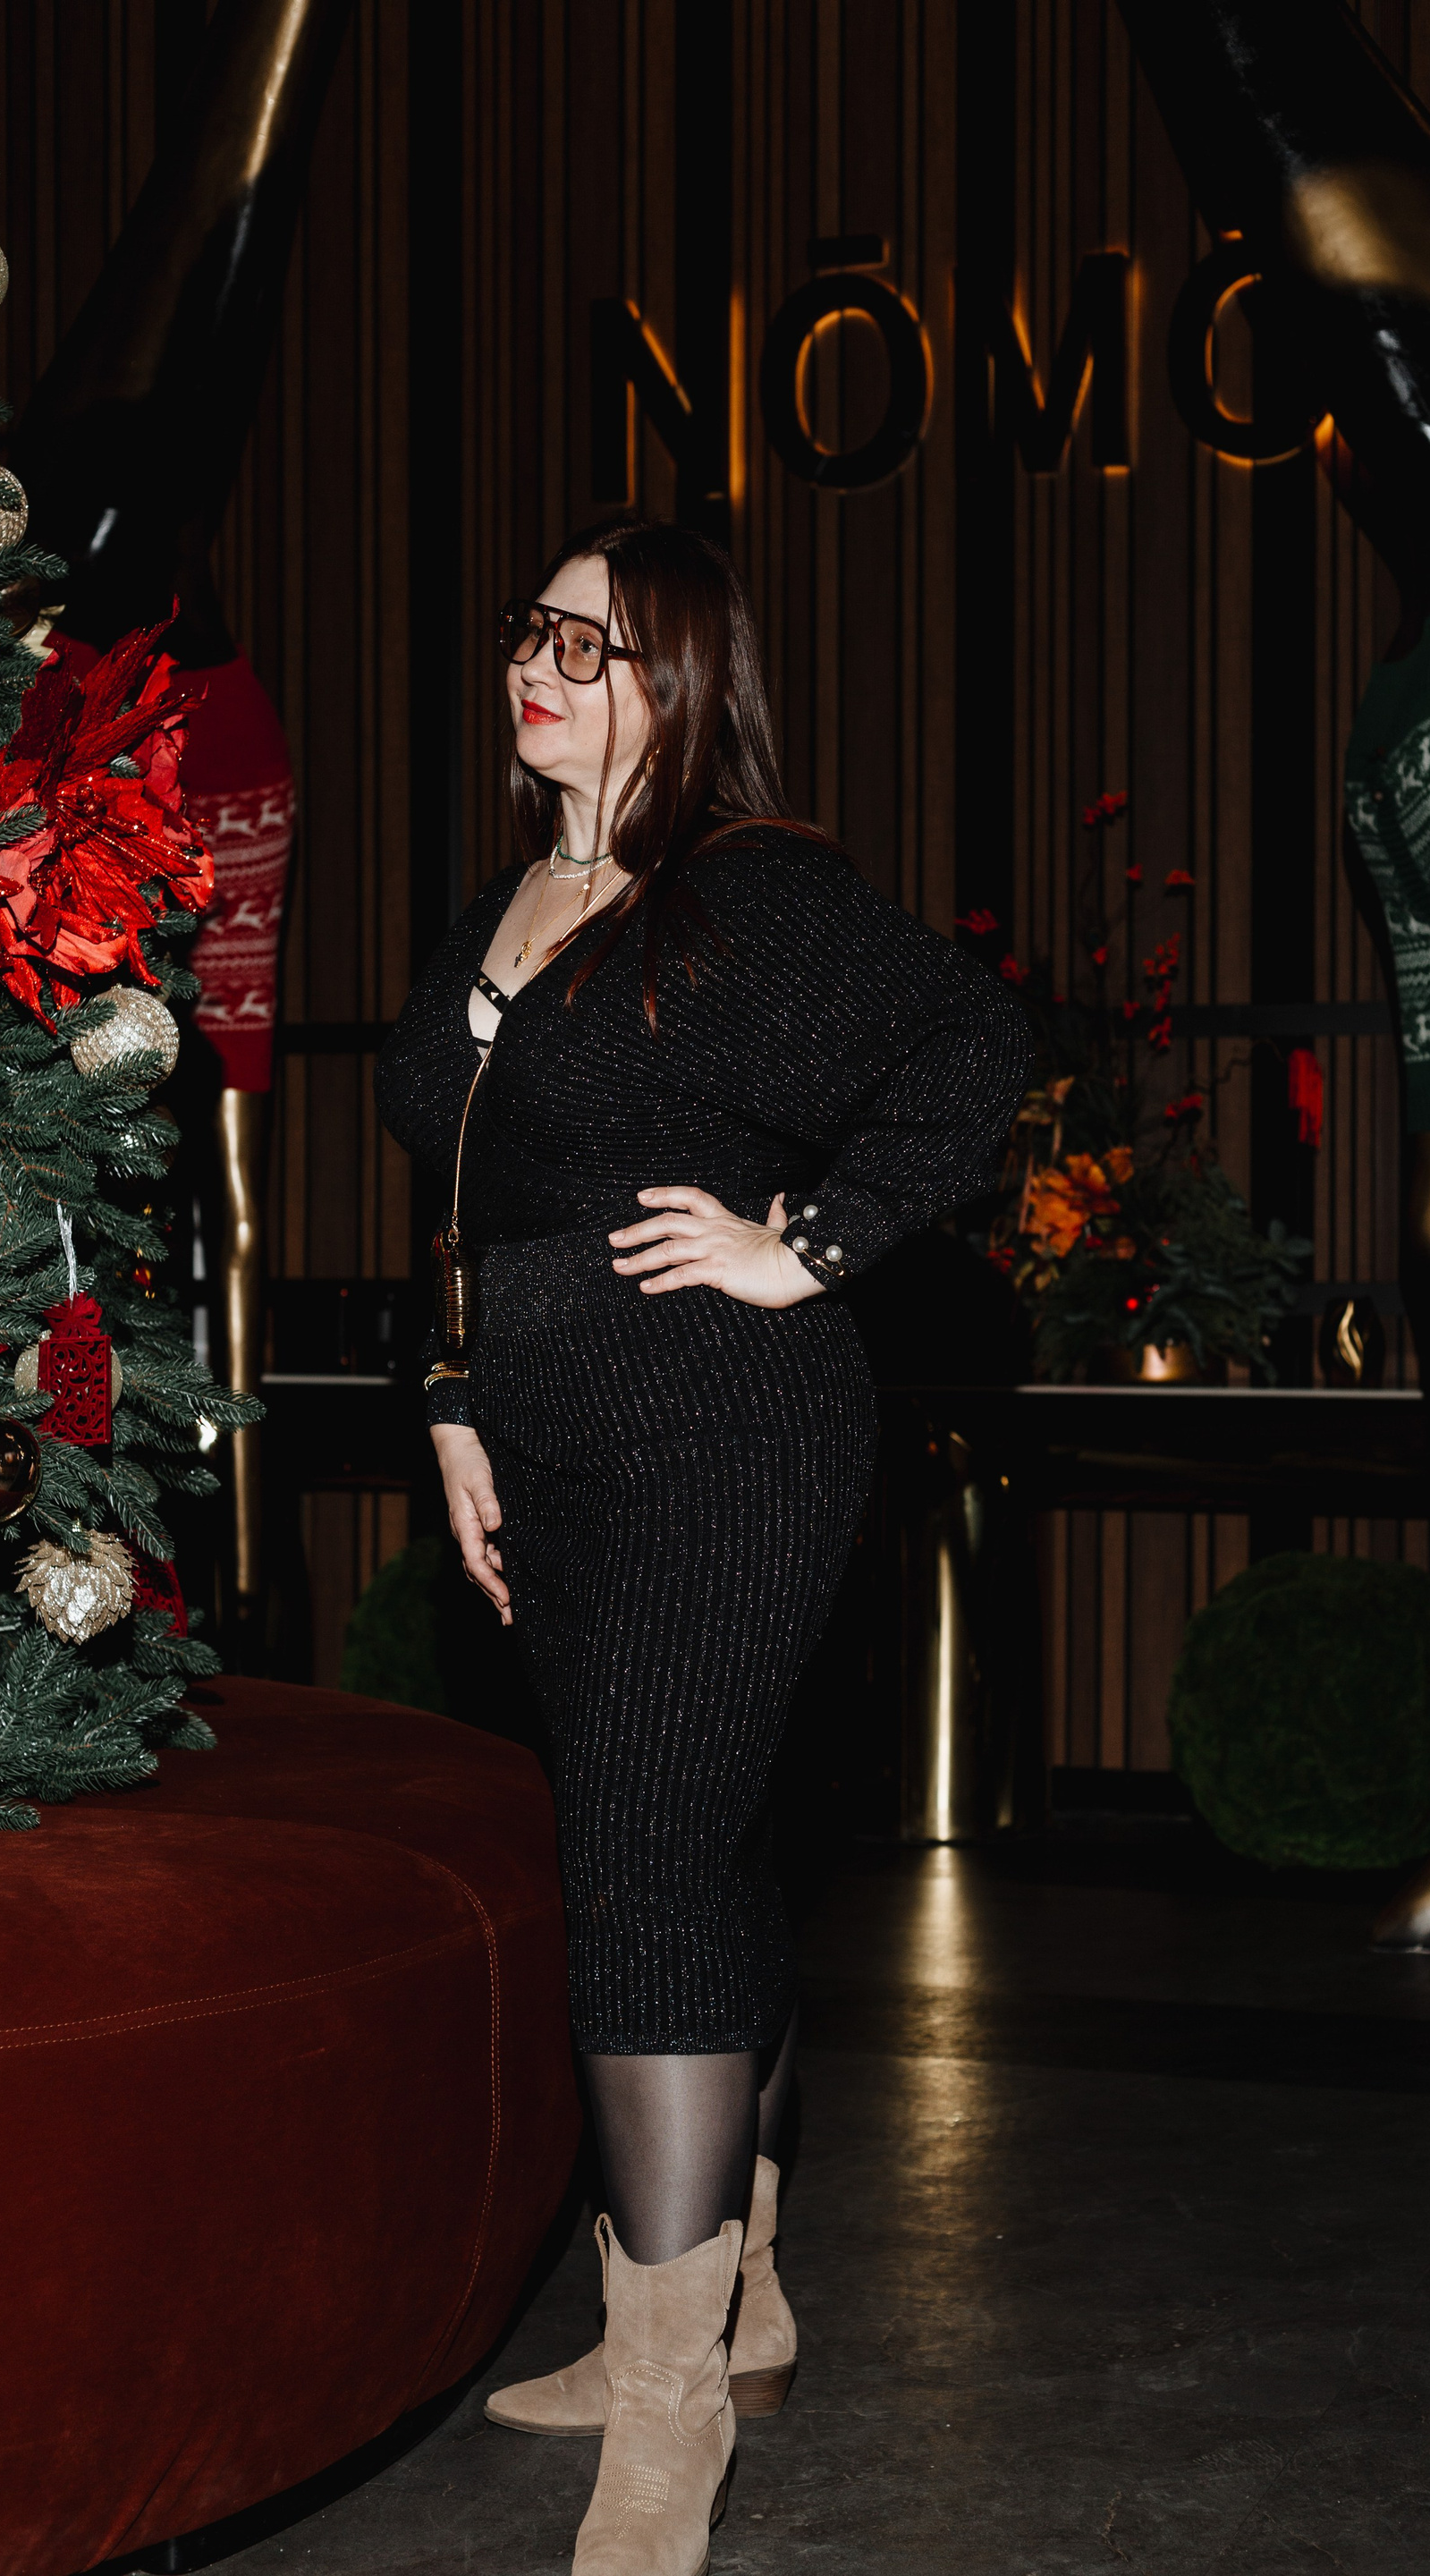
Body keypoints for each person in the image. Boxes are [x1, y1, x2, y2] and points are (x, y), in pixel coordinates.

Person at [375, 517, 1028, 2573]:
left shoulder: (749, 895)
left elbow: (975, 1051)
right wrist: (452, 1405)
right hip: (548, 1451)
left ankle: (670, 2420)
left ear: (677, 681)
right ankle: (735, 2302)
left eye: (593, 641)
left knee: (645, 1869)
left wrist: (807, 1244)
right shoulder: (511, 903)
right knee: (693, 1849)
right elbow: (461, 1205)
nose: (539, 661)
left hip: (725, 1438)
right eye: (534, 628)